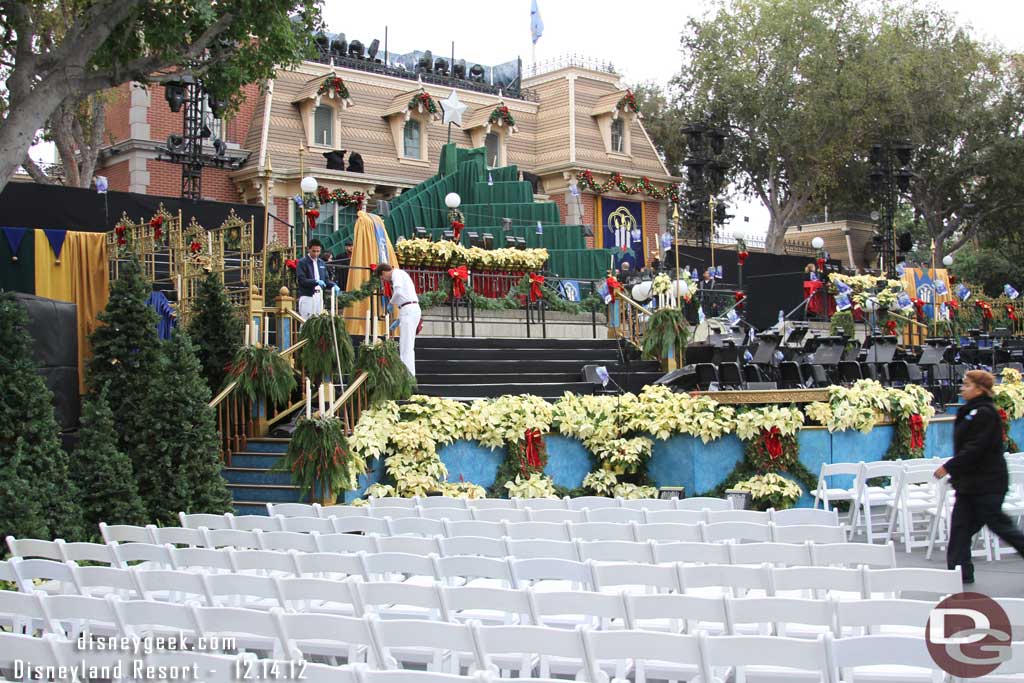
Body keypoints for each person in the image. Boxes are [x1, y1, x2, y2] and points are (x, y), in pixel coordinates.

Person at [934, 369, 1024, 583]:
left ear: (980, 389)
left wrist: (950, 467)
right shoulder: (971, 410)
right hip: (969, 486)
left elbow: (976, 448)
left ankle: (959, 574)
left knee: (1000, 526)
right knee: (960, 531)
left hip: (988, 485)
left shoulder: (985, 412)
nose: (963, 388)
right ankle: (959, 577)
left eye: (967, 385)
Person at [378, 263, 420, 376]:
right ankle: (408, 373)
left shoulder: (396, 274)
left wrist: (391, 303)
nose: (385, 281)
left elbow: (398, 292)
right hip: (409, 309)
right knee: (407, 344)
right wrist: (399, 320)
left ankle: (407, 374)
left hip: (408, 309)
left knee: (405, 345)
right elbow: (404, 297)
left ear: (383, 273)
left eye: (383, 278)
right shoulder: (401, 274)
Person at [296, 239, 339, 318]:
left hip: (319, 296)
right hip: (307, 296)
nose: (316, 254)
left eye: (318, 251)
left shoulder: (321, 262)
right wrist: (315, 281)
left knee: (318, 321)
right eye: (314, 251)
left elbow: (326, 280)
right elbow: (302, 280)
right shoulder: (302, 262)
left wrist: (334, 285)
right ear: (308, 249)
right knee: (306, 321)